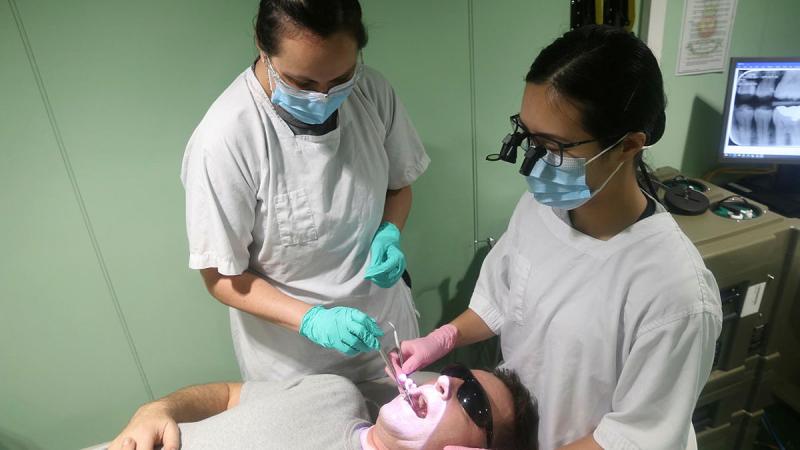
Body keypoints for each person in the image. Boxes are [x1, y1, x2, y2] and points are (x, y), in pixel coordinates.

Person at [391, 25, 723, 450]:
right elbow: (501, 302)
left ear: (628, 145)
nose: (533, 163)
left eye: (554, 147)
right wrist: (443, 338)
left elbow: (632, 438)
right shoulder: (539, 210)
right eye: (528, 136)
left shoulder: (676, 296)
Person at [180, 0, 429, 383]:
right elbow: (220, 276)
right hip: (296, 360)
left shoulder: (372, 93)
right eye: (304, 83)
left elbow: (399, 186)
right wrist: (311, 320)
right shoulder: (225, 140)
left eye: (341, 77)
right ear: (263, 47)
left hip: (385, 328)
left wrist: (390, 231)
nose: (325, 97)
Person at [106, 366, 539, 450]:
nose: (444, 382)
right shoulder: (334, 391)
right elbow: (223, 393)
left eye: (470, 400)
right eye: (456, 374)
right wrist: (158, 409)